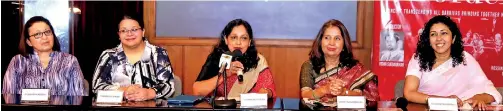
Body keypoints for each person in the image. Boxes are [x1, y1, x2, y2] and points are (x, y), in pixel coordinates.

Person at [404, 15, 501, 110]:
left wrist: (479, 98)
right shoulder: (419, 58)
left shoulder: (465, 59)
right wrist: (444, 101)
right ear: (429, 40)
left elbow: (491, 91)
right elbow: (409, 93)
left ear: (453, 38)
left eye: (444, 33)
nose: (438, 38)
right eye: (433, 34)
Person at [92, 14, 175, 101]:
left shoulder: (158, 54)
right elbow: (97, 87)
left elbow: (169, 86)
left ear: (143, 31)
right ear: (119, 35)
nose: (129, 34)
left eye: (134, 29)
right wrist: (124, 91)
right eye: (123, 31)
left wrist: (149, 93)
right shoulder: (108, 56)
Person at [299, 19, 379, 107]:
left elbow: (364, 97)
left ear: (344, 44)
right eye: (327, 38)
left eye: (337, 38)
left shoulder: (354, 69)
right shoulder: (309, 66)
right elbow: (305, 94)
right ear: (320, 42)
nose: (331, 43)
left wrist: (344, 92)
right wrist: (325, 89)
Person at [2, 16, 87, 96]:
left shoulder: (70, 61)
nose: (44, 37)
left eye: (47, 32)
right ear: (28, 42)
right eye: (37, 34)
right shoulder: (18, 61)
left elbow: (78, 95)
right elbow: (8, 94)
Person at [192, 19, 276, 98]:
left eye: (244, 38)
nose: (238, 43)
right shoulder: (216, 58)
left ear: (249, 42)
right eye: (234, 37)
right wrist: (225, 74)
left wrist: (265, 93)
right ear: (226, 40)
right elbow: (197, 90)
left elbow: (269, 90)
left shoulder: (258, 60)